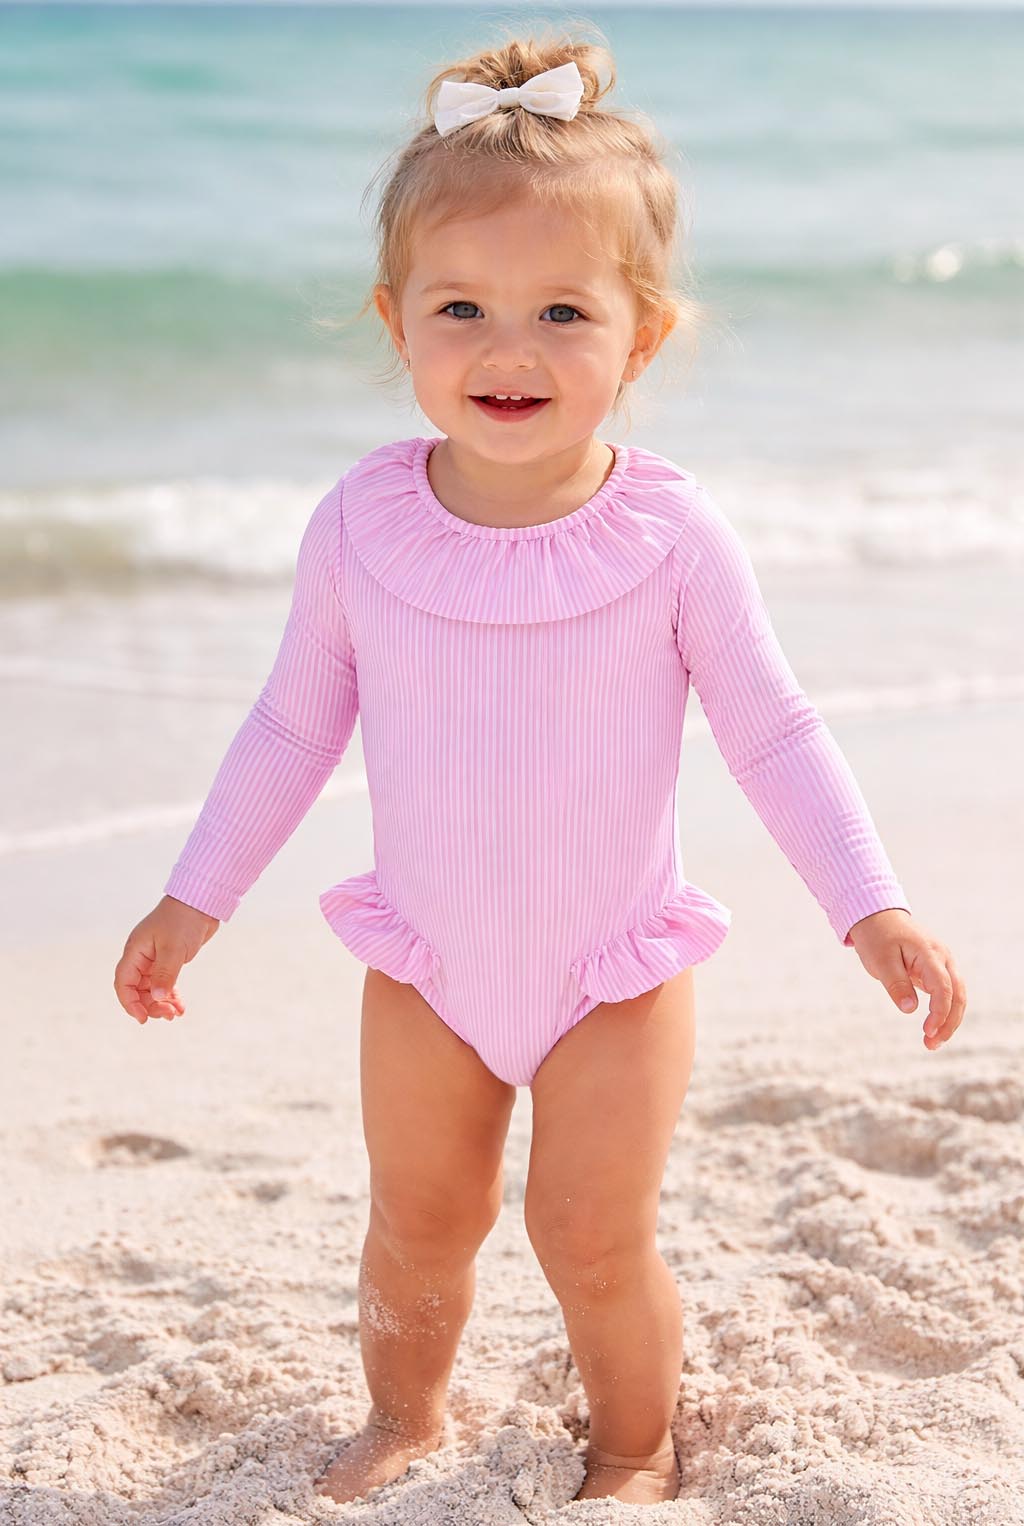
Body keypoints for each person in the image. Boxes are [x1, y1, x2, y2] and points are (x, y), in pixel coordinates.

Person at [112, 29, 967, 1509]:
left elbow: (774, 729)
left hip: (613, 971)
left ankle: (633, 1446)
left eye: (561, 310)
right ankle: (407, 1413)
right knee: (418, 1221)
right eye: (463, 307)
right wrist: (195, 898)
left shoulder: (676, 538)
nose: (507, 349)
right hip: (429, 957)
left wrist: (869, 903)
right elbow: (288, 728)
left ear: (640, 335)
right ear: (396, 322)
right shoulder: (359, 526)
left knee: (589, 1229)